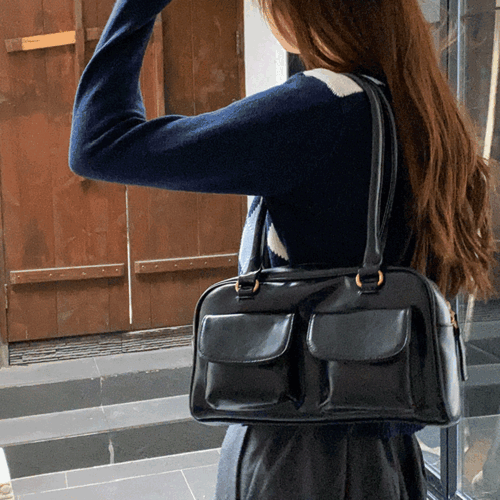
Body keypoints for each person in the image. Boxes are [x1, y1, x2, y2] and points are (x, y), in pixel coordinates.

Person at [69, 0, 496, 498]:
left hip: (302, 447)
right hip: (384, 439)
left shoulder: (320, 107)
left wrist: (135, 9)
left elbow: (99, 142)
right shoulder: (409, 103)